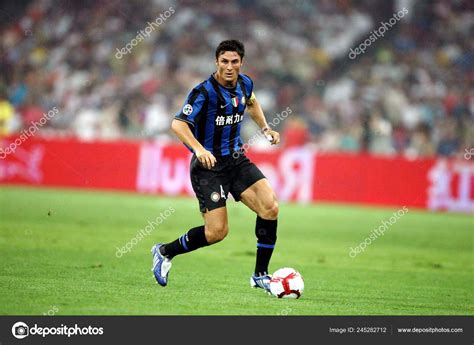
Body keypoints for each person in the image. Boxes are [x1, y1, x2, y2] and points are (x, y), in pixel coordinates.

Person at [151, 39, 281, 293]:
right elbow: (178, 124)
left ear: (241, 62)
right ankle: (164, 251)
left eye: (234, 62)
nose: (229, 67)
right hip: (208, 167)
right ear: (216, 62)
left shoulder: (245, 83)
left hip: (236, 160)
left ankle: (260, 275)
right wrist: (199, 149)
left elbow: (251, 102)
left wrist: (265, 128)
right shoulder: (204, 92)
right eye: (224, 61)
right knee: (217, 232)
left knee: (270, 207)